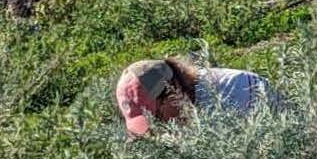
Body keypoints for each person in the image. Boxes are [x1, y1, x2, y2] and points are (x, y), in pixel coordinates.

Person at [115, 56, 280, 137]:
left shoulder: (237, 89)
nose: (156, 128)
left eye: (156, 116)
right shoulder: (186, 108)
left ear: (173, 91)